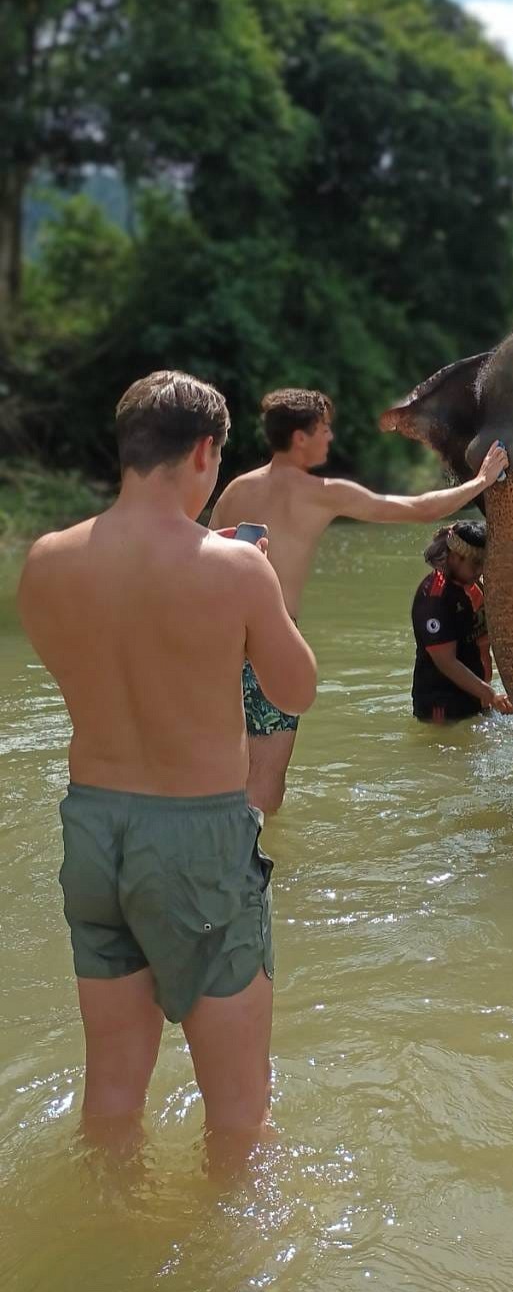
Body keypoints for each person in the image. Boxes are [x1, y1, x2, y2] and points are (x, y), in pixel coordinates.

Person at [16, 371, 317, 1161]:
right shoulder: (234, 568)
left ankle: (109, 1250)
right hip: (198, 839)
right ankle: (229, 1280)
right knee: (240, 1120)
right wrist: (262, 593)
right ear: (205, 453)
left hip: (92, 831)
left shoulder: (45, 560)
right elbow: (296, 689)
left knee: (111, 1096)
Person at [209, 388, 508, 812]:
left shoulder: (235, 491)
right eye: (324, 430)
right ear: (300, 437)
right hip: (270, 647)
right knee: (265, 786)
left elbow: (208, 564)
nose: (331, 438)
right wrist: (481, 481)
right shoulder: (323, 492)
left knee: (226, 774)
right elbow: (419, 509)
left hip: (218, 649)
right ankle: (254, 869)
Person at [411, 521, 513, 722]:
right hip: (442, 707)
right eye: (475, 564)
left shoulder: (474, 587)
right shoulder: (435, 598)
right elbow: (446, 662)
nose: (480, 571)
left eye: (483, 564)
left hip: (476, 697)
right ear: (455, 557)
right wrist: (491, 695)